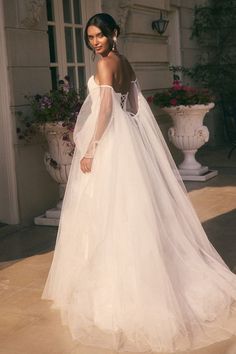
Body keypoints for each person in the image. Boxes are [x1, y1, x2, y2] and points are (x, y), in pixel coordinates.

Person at [42, 13, 236, 353]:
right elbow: (132, 106)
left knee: (108, 214)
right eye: (90, 37)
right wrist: (124, 133)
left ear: (113, 33)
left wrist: (92, 149)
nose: (95, 42)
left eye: (100, 35)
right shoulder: (125, 63)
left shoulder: (105, 65)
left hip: (109, 144)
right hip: (127, 141)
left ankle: (116, 290)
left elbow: (103, 111)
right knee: (132, 212)